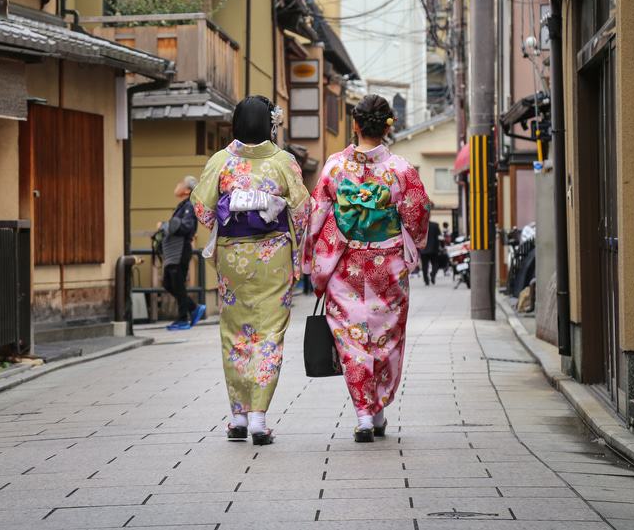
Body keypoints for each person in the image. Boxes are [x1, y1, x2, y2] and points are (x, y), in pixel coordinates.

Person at [303, 94, 431, 443]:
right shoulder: (401, 170)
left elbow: (317, 215)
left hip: (344, 265)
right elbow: (417, 213)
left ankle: (365, 414)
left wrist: (310, 259)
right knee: (386, 338)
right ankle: (375, 410)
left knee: (352, 341)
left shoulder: (334, 167)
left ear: (355, 124)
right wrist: (412, 243)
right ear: (388, 126)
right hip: (387, 266)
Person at [191, 96, 311, 445]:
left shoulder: (221, 161)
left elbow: (202, 208)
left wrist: (228, 218)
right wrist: (283, 226)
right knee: (269, 333)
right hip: (274, 255)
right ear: (271, 124)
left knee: (234, 333)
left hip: (233, 255)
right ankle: (259, 419)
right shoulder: (283, 161)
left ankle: (237, 418)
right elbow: (303, 210)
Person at [160, 176, 205, 331]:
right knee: (168, 283)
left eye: (180, 183)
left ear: (187, 190)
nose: (177, 185)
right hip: (175, 251)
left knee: (177, 284)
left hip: (180, 250)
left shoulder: (189, 205)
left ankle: (183, 319)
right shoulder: (183, 205)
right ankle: (193, 308)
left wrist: (166, 226)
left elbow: (186, 226)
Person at [419, 220, 442, 285]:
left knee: (424, 266)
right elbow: (440, 237)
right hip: (434, 249)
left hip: (423, 249)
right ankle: (433, 274)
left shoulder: (420, 226)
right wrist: (442, 245)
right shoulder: (435, 225)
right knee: (435, 263)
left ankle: (426, 280)